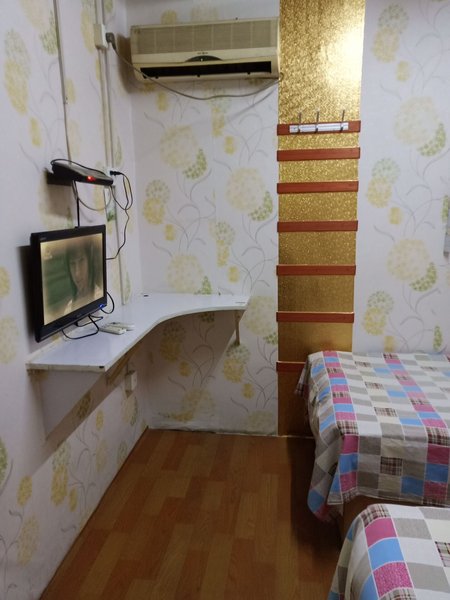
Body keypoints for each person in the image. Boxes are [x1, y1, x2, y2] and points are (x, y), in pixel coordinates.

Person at [64, 237, 101, 314]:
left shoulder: (99, 297)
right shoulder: (68, 309)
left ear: (90, 261)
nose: (77, 273)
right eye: (72, 264)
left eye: (81, 261)